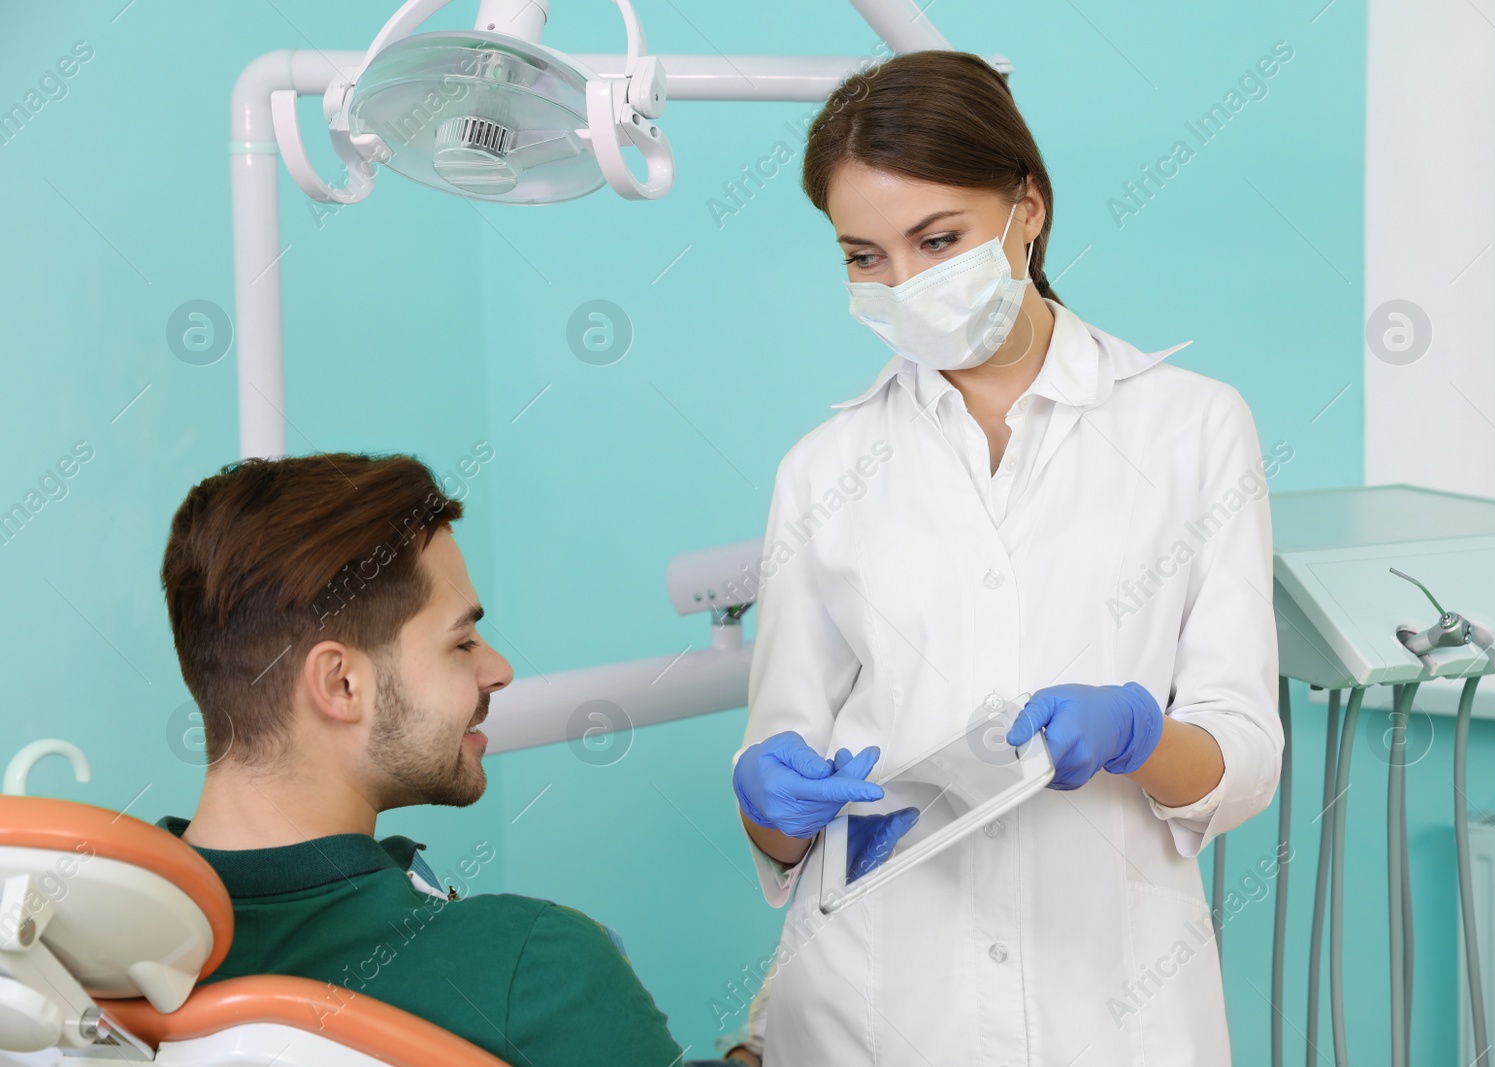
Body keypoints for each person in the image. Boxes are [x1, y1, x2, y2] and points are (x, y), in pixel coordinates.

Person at [731, 51, 1281, 1065]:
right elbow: (784, 798)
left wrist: (1137, 731)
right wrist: (764, 797)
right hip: (869, 999)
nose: (902, 284)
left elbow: (1243, 756)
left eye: (937, 240)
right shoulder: (823, 468)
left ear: (1026, 206)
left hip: (1111, 1001)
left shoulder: (1190, 429)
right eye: (864, 256)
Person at [156, 452, 727, 1066]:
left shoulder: (84, 970)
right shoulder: (532, 970)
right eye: (462, 642)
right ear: (342, 684)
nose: (498, 671)